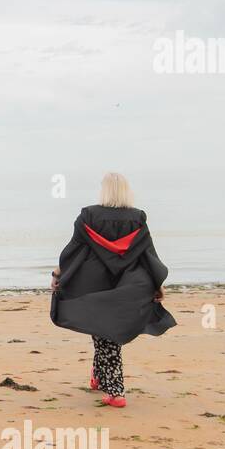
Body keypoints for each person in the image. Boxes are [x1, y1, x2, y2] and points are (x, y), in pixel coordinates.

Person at [50, 173, 175, 408]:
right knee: (104, 329)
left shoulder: (88, 216)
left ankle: (116, 391)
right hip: (128, 283)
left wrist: (58, 274)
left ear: (104, 191)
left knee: (108, 334)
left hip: (92, 282)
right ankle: (98, 376)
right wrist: (158, 284)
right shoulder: (137, 218)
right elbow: (149, 254)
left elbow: (72, 249)